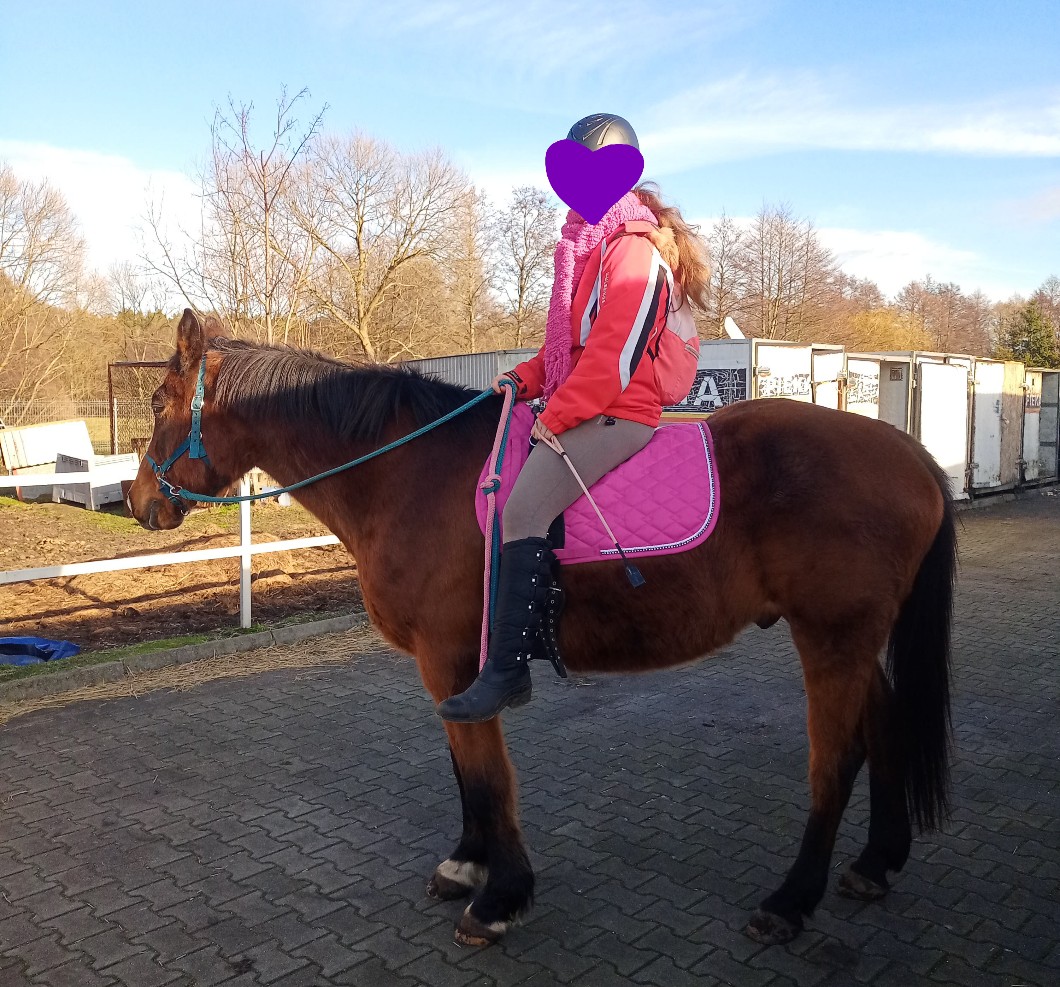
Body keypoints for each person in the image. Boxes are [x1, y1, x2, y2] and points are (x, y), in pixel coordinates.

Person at [438, 113, 710, 723]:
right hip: (590, 400)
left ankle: (507, 672)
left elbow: (614, 358)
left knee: (522, 510)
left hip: (619, 410)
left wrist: (555, 414)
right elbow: (567, 349)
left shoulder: (634, 253)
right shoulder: (587, 251)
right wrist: (524, 378)